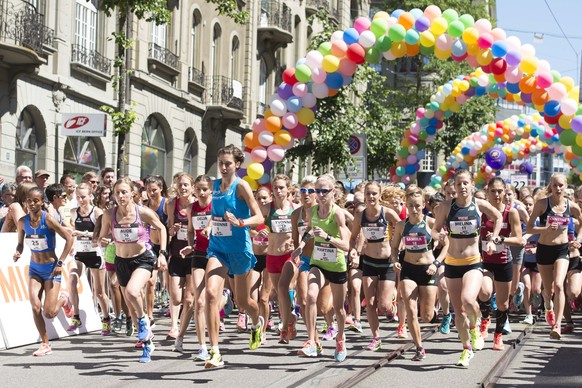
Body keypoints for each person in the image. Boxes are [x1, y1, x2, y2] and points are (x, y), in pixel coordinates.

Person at [432, 169, 502, 367]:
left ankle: (476, 326)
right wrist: (439, 236)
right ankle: (466, 349)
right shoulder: (446, 206)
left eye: (465, 183)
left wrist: (494, 238)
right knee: (458, 311)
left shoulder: (479, 204)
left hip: (473, 261)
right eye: (458, 184)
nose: (462, 187)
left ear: (472, 185)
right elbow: (435, 229)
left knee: (468, 300)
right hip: (452, 263)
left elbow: (498, 217)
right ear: (454, 186)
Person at [203, 144, 265, 368]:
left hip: (239, 249)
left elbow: (258, 217)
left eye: (228, 163)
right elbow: (216, 214)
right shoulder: (215, 185)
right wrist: (210, 225)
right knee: (211, 293)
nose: (223, 167)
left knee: (243, 301)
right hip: (218, 248)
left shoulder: (242, 186)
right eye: (221, 163)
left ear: (237, 164)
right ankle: (215, 351)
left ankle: (256, 323)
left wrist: (240, 222)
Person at [98, 177, 168, 363]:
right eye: (117, 192)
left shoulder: (142, 212)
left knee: (132, 291)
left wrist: (162, 253)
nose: (120, 196)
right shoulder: (109, 214)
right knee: (130, 303)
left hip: (142, 259)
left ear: (132, 193)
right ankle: (147, 343)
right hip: (121, 261)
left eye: (124, 192)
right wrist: (102, 241)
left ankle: (145, 321)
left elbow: (162, 228)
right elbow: (101, 237)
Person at [13, 186, 74, 356]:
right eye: (29, 200)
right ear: (25, 202)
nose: (31, 204)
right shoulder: (22, 222)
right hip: (34, 269)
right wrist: (18, 251)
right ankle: (45, 344)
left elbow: (69, 238)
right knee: (35, 306)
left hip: (51, 270)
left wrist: (60, 263)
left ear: (41, 202)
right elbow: (20, 242)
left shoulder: (48, 220)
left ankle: (64, 299)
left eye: (35, 201)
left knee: (49, 312)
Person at [296, 174, 351, 362]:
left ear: (333, 192)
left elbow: (346, 246)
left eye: (323, 191)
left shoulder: (337, 214)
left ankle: (341, 338)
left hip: (336, 265)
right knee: (310, 296)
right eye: (315, 191)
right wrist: (302, 245)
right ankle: (311, 341)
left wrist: (328, 237)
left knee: (338, 308)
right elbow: (310, 230)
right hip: (318, 262)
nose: (319, 195)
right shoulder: (312, 211)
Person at [391, 185, 448, 360]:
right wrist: (394, 260)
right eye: (410, 206)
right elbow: (393, 248)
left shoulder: (431, 223)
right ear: (406, 206)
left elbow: (447, 244)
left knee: (427, 315)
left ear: (423, 204)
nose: (414, 210)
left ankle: (434, 313)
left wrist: (437, 263)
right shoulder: (402, 225)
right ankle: (419, 347)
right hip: (409, 269)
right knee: (410, 308)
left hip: (428, 270)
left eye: (417, 205)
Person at [526, 173, 582, 339]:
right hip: (544, 249)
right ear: (550, 186)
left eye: (561, 185)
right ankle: (548, 306)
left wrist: (578, 240)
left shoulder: (572, 207)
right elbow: (529, 228)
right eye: (555, 185)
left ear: (566, 187)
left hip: (562, 250)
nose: (558, 189)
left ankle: (557, 325)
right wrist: (545, 229)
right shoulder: (542, 204)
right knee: (548, 290)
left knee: (559, 285)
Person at [349, 181, 401, 351]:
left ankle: (391, 307)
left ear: (379, 195)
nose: (371, 197)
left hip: (386, 263)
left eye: (374, 194)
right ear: (364, 195)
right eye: (368, 193)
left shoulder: (388, 213)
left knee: (383, 305)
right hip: (369, 262)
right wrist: (353, 251)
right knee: (370, 303)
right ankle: (376, 337)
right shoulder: (360, 216)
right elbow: (353, 236)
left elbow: (402, 229)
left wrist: (397, 247)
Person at [477, 177, 524, 351]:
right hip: (485, 262)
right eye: (493, 191)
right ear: (487, 192)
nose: (496, 195)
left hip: (504, 261)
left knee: (503, 304)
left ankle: (498, 335)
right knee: (485, 291)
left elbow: (520, 240)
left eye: (500, 191)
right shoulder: (480, 211)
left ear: (504, 192)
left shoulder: (511, 213)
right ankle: (485, 317)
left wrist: (501, 238)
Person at [176, 175, 213, 359]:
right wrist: (190, 244)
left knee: (212, 300)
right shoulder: (192, 208)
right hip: (198, 254)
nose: (201, 192)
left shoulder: (217, 205)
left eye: (204, 189)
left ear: (211, 190)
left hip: (217, 255)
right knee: (197, 301)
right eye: (198, 189)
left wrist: (212, 229)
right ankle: (202, 346)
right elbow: (190, 231)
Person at [67, 183, 110, 334]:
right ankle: (76, 316)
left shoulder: (97, 212)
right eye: (78, 197)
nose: (80, 200)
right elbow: (73, 232)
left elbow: (103, 234)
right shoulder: (73, 212)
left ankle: (105, 318)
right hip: (80, 254)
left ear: (90, 196)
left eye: (83, 197)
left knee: (99, 292)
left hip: (95, 253)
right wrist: (72, 241)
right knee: (72, 280)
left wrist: (82, 233)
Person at [262, 174, 298, 345]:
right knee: (278, 293)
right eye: (275, 188)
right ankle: (290, 318)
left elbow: (306, 229)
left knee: (285, 288)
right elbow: (254, 225)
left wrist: (296, 243)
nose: (278, 191)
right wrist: (258, 231)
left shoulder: (295, 209)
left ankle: (284, 329)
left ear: (288, 189)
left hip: (289, 256)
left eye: (281, 187)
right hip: (272, 256)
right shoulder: (267, 209)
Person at [166, 173, 196, 340]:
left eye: (186, 185)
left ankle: (178, 329)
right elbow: (169, 229)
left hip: (193, 255)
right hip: (177, 254)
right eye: (180, 185)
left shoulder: (196, 205)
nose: (183, 188)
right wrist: (174, 229)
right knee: (177, 298)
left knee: (188, 299)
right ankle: (177, 324)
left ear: (192, 188)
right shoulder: (172, 204)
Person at [144, 175, 169, 331]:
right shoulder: (144, 206)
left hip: (167, 247)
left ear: (161, 189)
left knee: (170, 284)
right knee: (150, 282)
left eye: (154, 190)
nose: (151, 193)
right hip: (150, 246)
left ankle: (175, 308)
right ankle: (150, 315)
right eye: (148, 190)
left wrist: (164, 253)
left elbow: (169, 225)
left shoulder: (167, 204)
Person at [249, 186, 273, 338]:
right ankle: (255, 322)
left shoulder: (273, 214)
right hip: (254, 258)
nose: (262, 201)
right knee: (251, 297)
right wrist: (256, 232)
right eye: (259, 198)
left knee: (264, 298)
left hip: (269, 257)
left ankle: (262, 332)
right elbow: (243, 228)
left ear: (270, 198)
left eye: (265, 198)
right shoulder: (252, 214)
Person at [520, 195, 542, 325]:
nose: (527, 207)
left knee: (536, 289)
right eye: (525, 204)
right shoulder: (518, 221)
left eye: (530, 204)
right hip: (523, 261)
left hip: (537, 260)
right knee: (527, 286)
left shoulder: (539, 222)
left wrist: (535, 249)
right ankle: (528, 314)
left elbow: (546, 241)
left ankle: (542, 301)